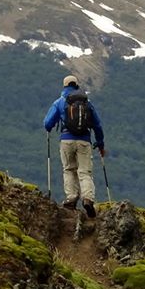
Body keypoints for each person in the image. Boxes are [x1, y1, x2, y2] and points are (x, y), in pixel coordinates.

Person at [43, 74, 105, 218]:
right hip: (84, 141)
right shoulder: (87, 103)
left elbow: (47, 123)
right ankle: (88, 199)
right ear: (76, 85)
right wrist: (100, 142)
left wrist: (50, 128)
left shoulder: (60, 102)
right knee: (84, 172)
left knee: (69, 169)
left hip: (66, 140)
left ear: (64, 86)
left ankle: (71, 198)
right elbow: (97, 125)